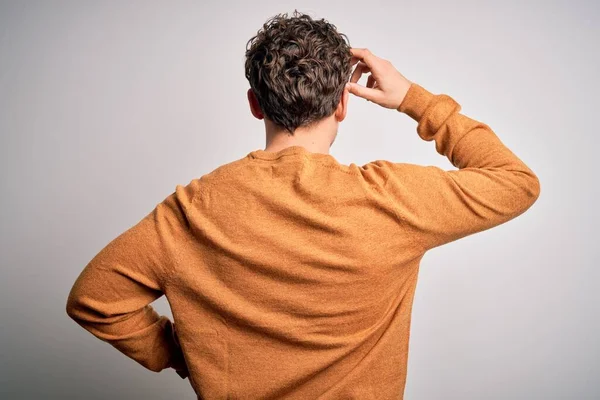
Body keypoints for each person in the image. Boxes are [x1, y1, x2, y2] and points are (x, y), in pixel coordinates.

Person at [65, 10, 540, 399]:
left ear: (255, 103)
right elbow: (516, 182)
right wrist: (413, 100)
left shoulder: (192, 210)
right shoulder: (391, 199)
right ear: (342, 105)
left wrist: (184, 354)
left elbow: (95, 301)